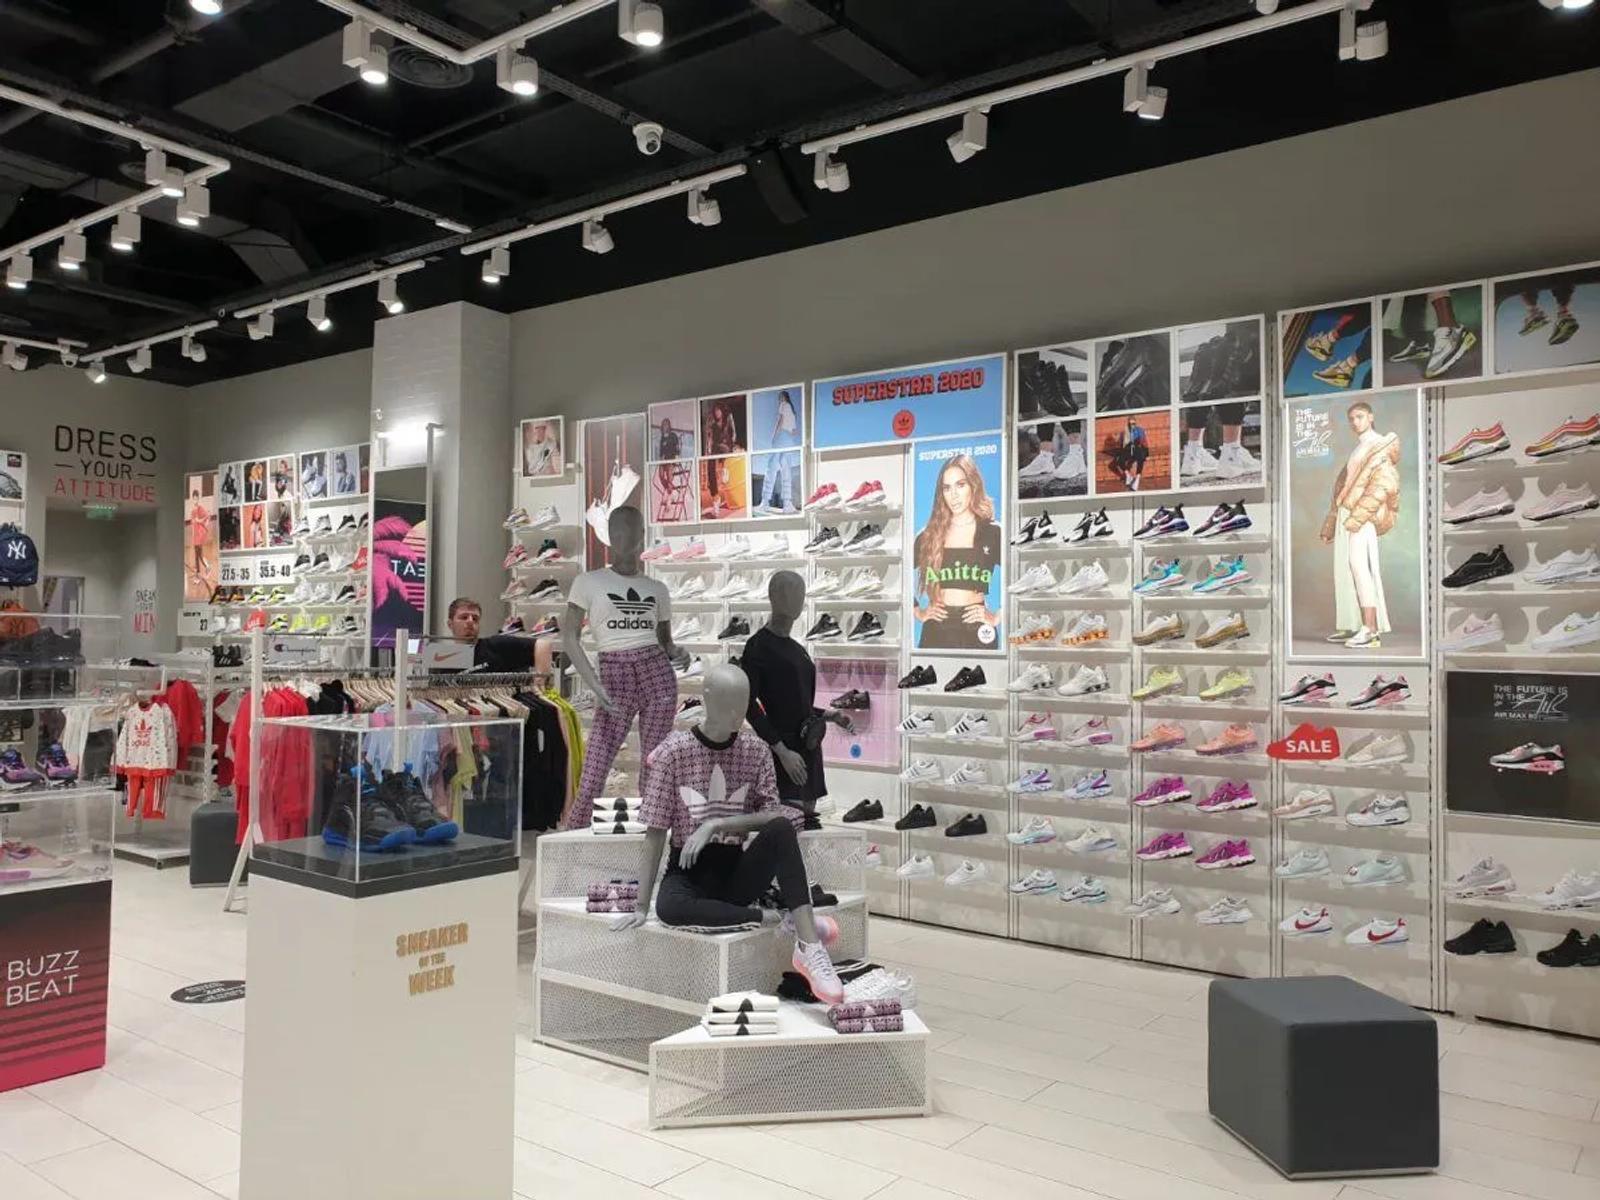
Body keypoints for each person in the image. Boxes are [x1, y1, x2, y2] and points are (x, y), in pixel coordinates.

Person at [1319, 400, 1400, 650]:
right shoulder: (1361, 447)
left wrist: (1358, 516)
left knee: (1360, 567)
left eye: (1360, 417)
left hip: (1361, 517)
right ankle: (1354, 625)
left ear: (1371, 417)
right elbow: (1344, 487)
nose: (1356, 422)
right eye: (1352, 418)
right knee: (1345, 569)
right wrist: (1332, 522)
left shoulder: (1379, 446)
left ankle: (1370, 630)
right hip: (1348, 514)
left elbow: (1383, 485)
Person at [913, 454, 1001, 650]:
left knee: (983, 681)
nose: (953, 495)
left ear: (973, 486)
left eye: (960, 485)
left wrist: (999, 615)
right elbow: (897, 575)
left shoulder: (993, 532)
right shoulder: (928, 534)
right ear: (941, 493)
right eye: (947, 488)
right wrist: (918, 611)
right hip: (937, 627)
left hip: (976, 626)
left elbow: (1022, 578)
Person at [446, 597, 534, 671]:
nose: (470, 621)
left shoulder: (496, 645)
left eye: (475, 618)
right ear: (450, 624)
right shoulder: (445, 659)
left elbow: (542, 645)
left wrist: (540, 680)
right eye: (464, 617)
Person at [756, 390, 800, 513]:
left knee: (771, 467)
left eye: (779, 397)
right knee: (786, 470)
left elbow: (780, 420)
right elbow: (794, 431)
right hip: (789, 439)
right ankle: (787, 504)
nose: (778, 400)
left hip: (781, 437)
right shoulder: (792, 411)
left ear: (783, 397)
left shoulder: (783, 405)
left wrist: (774, 435)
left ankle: (764, 502)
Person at [1107, 416, 1149, 490]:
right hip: (1128, 450)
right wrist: (1118, 453)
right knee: (1119, 460)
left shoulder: (1139, 430)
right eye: (1130, 424)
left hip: (1137, 448)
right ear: (1128, 424)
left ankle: (1137, 479)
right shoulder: (1124, 432)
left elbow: (1144, 442)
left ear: (1136, 423)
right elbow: (1121, 445)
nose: (1132, 425)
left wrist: (1147, 453)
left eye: (1133, 424)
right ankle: (1128, 475)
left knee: (1140, 458)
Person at [187, 489, 209, 581]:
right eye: (194, 499)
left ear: (198, 499)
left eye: (196, 499)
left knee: (197, 556)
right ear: (192, 499)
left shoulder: (200, 508)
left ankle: (198, 576)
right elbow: (193, 524)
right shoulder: (192, 511)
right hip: (195, 535)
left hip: (200, 535)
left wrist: (202, 520)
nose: (195, 500)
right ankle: (208, 567)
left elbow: (207, 516)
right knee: (199, 555)